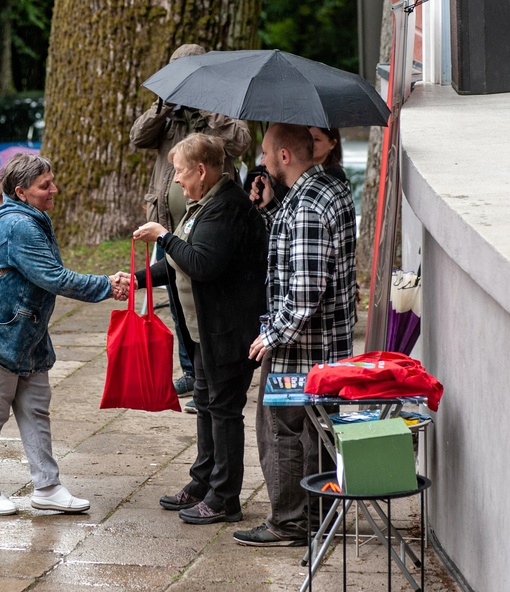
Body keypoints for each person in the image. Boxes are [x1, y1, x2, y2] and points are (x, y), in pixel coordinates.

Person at [0, 153, 130, 516]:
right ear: (21, 191)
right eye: (44, 185)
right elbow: (53, 276)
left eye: (52, 181)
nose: (54, 189)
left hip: (27, 335)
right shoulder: (19, 225)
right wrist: (106, 285)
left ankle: (47, 487)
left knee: (35, 412)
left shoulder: (34, 218)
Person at [132, 133, 267, 525]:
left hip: (228, 331)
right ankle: (203, 481)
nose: (175, 180)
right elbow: (177, 263)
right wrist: (137, 278)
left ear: (202, 171)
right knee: (206, 406)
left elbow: (201, 263)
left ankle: (225, 499)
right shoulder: (202, 204)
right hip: (203, 332)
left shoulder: (227, 207)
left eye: (179, 172)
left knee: (224, 412)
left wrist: (164, 236)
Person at [232, 123, 357, 546]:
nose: (262, 160)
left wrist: (273, 335)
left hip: (301, 349)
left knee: (280, 432)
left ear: (285, 155)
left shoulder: (305, 205)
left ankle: (289, 523)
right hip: (326, 345)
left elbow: (305, 291)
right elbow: (297, 249)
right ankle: (318, 515)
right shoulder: (326, 189)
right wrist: (267, 209)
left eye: (267, 152)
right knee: (317, 432)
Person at [130, 43, 252, 405]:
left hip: (211, 219)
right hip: (168, 219)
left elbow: (241, 142)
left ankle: (211, 365)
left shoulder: (220, 106)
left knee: (205, 293)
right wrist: (163, 105)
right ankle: (191, 369)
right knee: (179, 295)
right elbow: (138, 137)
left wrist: (207, 105)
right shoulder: (168, 114)